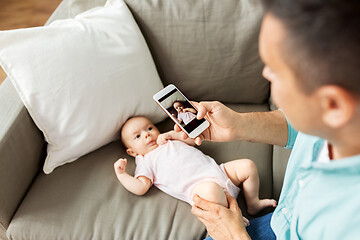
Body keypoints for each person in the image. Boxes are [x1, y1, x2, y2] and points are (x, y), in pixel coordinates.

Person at [175, 0, 360, 239]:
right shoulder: (343, 117)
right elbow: (305, 128)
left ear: (333, 104)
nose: (265, 73)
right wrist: (238, 125)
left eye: (275, 70)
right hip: (284, 220)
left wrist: (233, 236)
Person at [114, 116, 277, 229]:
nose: (147, 135)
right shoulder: (145, 160)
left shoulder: (168, 139)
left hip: (220, 172)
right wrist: (122, 174)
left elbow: (193, 141)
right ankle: (230, 218)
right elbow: (141, 187)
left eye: (149, 128)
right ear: (132, 152)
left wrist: (172, 134)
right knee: (212, 190)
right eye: (138, 136)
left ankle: (253, 203)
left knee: (247, 166)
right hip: (200, 190)